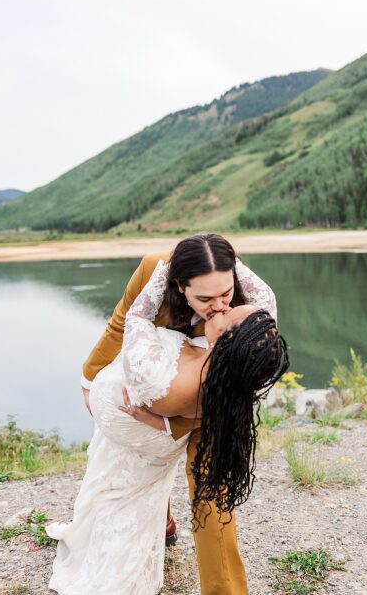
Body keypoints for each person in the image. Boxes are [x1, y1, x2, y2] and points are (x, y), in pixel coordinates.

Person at [48, 252, 287, 595]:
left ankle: (225, 591)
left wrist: (178, 422)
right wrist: (89, 380)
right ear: (179, 285)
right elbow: (120, 323)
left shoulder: (240, 293)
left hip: (218, 402)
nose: (219, 306)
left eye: (225, 296)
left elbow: (251, 369)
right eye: (204, 299)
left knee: (211, 489)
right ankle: (162, 523)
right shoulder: (151, 269)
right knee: (142, 456)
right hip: (161, 384)